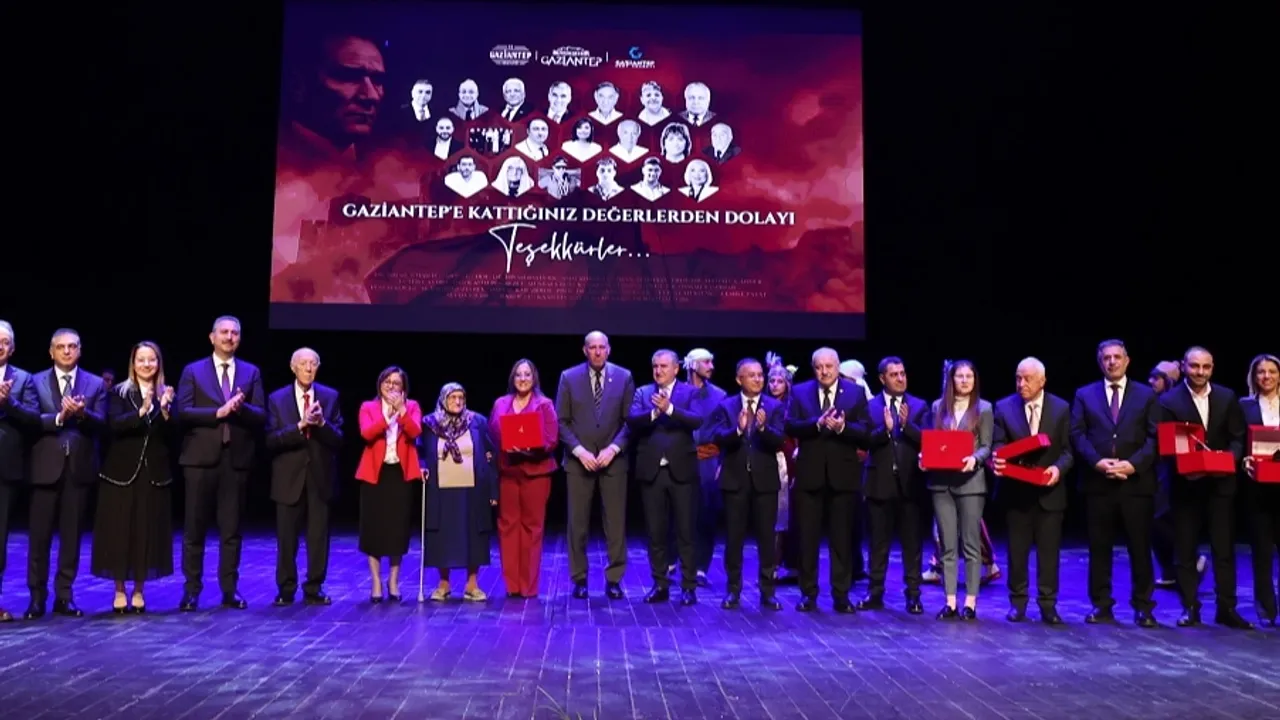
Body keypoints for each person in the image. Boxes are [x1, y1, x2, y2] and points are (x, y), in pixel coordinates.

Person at [175, 316, 266, 611]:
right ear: (212, 337)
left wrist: (240, 408)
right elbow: (183, 412)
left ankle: (229, 589)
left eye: (234, 333)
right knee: (194, 528)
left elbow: (261, 416)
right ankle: (191, 590)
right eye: (224, 332)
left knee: (231, 530)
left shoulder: (251, 372)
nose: (229, 337)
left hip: (235, 460)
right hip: (200, 460)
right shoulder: (193, 370)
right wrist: (218, 412)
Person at [1070, 340, 1160, 628]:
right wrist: (1098, 462)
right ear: (1100, 362)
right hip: (1098, 483)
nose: (1112, 362)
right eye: (1106, 358)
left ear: (1127, 360)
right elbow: (1077, 434)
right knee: (1100, 548)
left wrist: (1132, 465)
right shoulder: (1084, 394)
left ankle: (1143, 607)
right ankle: (1101, 605)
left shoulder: (1146, 395)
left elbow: (1155, 437)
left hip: (1136, 484)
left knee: (1140, 548)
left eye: (1117, 357)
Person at [1160, 346, 1250, 629]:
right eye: (1194, 366)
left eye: (1206, 367)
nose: (1200, 372)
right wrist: (1186, 467)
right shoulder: (1169, 401)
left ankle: (1227, 609)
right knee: (1185, 550)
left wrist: (1226, 460)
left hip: (1220, 486)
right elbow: (1165, 444)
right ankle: (1190, 607)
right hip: (1186, 486)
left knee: (1223, 550)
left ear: (1212, 368)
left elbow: (1238, 438)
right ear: (1184, 366)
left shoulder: (1226, 397)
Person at [26, 328, 108, 619]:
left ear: (80, 350)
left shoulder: (95, 383)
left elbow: (103, 424)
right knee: (39, 538)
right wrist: (60, 417)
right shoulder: (35, 381)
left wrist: (82, 414)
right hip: (45, 468)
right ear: (51, 352)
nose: (66, 351)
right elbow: (31, 420)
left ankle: (64, 595)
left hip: (78, 469)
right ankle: (37, 597)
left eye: (72, 346)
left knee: (71, 538)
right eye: (61, 347)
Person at [92, 341, 176, 614]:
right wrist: (142, 411)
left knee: (145, 531)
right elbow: (113, 425)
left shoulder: (166, 392)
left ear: (158, 363)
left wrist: (165, 410)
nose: (146, 364)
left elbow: (172, 435)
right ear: (133, 363)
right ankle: (119, 590)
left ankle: (139, 590)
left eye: (152, 359)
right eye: (141, 360)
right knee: (119, 531)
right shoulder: (119, 392)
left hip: (153, 473)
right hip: (121, 473)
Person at [785, 347, 870, 613]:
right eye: (819, 367)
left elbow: (866, 431)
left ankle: (841, 594)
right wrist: (816, 424)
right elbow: (789, 425)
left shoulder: (854, 393)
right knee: (807, 539)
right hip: (810, 476)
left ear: (837, 367)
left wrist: (843, 428)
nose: (824, 372)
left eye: (829, 366)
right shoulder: (800, 392)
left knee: (841, 539)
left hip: (843, 477)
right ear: (814, 368)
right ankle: (808, 594)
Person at [991, 357, 1074, 625]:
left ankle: (1048, 605)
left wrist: (1057, 469)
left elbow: (1068, 451)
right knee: (1017, 552)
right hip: (1017, 492)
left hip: (1050, 494)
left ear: (1042, 381)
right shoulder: (1004, 407)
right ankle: (1018, 603)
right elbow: (998, 445)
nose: (1021, 384)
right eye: (1018, 378)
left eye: (1027, 379)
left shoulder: (1061, 408)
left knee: (1049, 553)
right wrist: (998, 459)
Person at [555, 331, 635, 600]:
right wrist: (579, 451)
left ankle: (614, 579)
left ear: (609, 350)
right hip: (579, 462)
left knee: (615, 524)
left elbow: (630, 421)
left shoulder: (624, 377)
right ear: (585, 350)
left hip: (614, 461)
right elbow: (561, 421)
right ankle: (579, 579)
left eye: (602, 347)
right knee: (577, 524)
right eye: (593, 347)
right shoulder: (569, 377)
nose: (598, 352)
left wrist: (614, 449)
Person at [265, 348, 343, 606]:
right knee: (287, 537)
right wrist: (300, 426)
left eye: (313, 364)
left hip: (320, 476)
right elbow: (271, 440)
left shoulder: (330, 397)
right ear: (293, 367)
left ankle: (314, 587)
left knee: (318, 536)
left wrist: (321, 425)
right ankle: (286, 588)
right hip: (288, 477)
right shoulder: (277, 399)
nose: (308, 368)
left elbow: (339, 439)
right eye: (303, 364)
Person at [708, 358, 787, 610]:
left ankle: (767, 591)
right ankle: (733, 590)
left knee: (766, 538)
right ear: (738, 379)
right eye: (751, 375)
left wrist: (762, 429)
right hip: (735, 480)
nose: (758, 379)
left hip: (765, 482)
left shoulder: (774, 406)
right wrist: (738, 430)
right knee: (734, 538)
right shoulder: (726, 406)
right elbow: (718, 437)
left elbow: (779, 440)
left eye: (760, 375)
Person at [628, 350, 704, 606]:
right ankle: (660, 584)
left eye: (663, 366)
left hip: (682, 471)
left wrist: (669, 409)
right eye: (655, 366)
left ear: (676, 369)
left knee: (685, 532)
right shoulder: (643, 392)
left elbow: (696, 420)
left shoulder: (690, 392)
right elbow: (632, 419)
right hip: (652, 470)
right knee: (655, 532)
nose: (658, 371)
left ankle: (689, 586)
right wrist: (654, 413)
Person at [856, 357, 929, 615]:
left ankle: (914, 594)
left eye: (902, 373)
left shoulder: (919, 406)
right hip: (879, 484)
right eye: (894, 374)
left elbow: (927, 440)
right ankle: (875, 592)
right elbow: (864, 440)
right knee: (878, 542)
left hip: (911, 484)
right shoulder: (870, 406)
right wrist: (885, 431)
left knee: (912, 543)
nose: (900, 378)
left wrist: (907, 427)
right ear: (882, 378)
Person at [926, 360, 992, 620]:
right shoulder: (937, 407)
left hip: (970, 483)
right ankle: (950, 601)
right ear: (951, 379)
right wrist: (925, 457)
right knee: (947, 544)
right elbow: (933, 441)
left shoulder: (984, 408)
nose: (964, 381)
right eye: (960, 376)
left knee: (971, 544)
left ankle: (971, 603)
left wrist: (975, 459)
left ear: (975, 380)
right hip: (941, 483)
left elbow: (986, 446)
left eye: (969, 376)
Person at [422, 383, 498, 602]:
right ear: (443, 399)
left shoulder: (476, 421)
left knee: (474, 536)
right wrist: (421, 466)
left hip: (472, 489)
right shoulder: (429, 424)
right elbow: (419, 451)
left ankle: (472, 584)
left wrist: (493, 490)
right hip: (440, 489)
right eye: (452, 397)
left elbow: (490, 454)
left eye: (461, 397)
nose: (457, 401)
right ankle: (443, 584)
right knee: (442, 535)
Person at [489, 359, 559, 599]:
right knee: (508, 526)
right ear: (513, 378)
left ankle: (528, 586)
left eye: (527, 374)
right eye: (518, 374)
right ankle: (512, 585)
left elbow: (551, 439)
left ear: (534, 378)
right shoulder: (501, 403)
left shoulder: (544, 404)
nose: (522, 379)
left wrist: (530, 447)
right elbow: (492, 433)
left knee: (532, 528)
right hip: (508, 471)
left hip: (535, 472)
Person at [356, 366, 423, 603]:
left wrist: (401, 410)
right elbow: (366, 433)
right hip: (375, 474)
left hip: (400, 474)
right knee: (373, 530)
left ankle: (393, 581)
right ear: (380, 384)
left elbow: (415, 431)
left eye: (396, 383)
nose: (391, 386)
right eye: (387, 381)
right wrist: (387, 417)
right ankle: (376, 581)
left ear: (403, 388)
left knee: (397, 530)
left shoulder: (412, 406)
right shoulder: (368, 407)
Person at [0, 320, 39, 622]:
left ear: (12, 348)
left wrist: (8, 402)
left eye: (4, 342)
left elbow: (33, 419)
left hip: (6, 467)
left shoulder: (23, 378)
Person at [1240, 353, 1279, 627]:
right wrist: (1243, 459)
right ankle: (1266, 609)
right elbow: (1236, 439)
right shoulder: (1244, 406)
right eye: (1261, 372)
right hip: (1257, 488)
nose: (1266, 377)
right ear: (1254, 377)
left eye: (1272, 371)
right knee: (1262, 552)